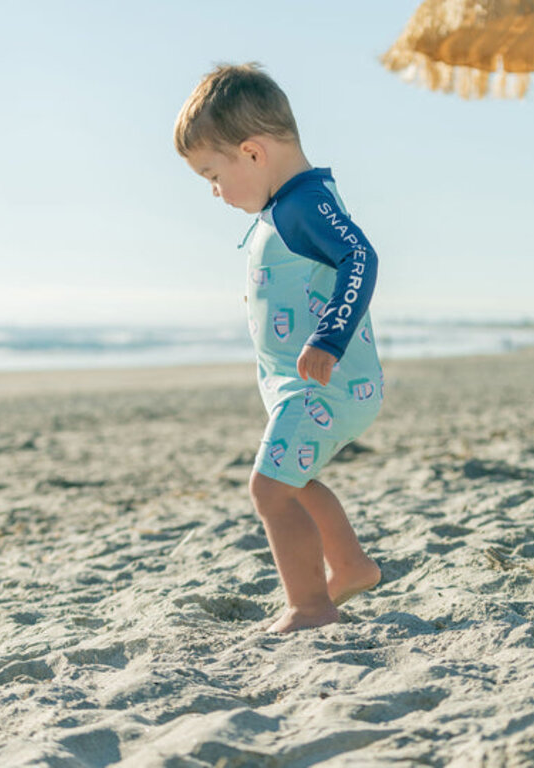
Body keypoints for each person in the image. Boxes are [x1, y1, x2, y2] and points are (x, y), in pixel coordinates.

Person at [174, 62, 383, 633]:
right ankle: (350, 565)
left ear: (253, 153)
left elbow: (360, 259)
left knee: (268, 488)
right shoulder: (289, 204)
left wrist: (329, 337)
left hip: (328, 381)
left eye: (212, 175)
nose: (215, 192)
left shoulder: (301, 205)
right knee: (292, 480)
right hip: (309, 385)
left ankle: (311, 607)